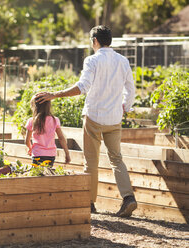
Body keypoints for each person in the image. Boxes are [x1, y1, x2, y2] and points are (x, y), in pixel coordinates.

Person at [36, 25, 137, 217]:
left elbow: (82, 87)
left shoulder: (92, 60)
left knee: (91, 161)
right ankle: (128, 198)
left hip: (94, 117)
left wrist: (54, 95)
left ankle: (89, 203)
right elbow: (130, 89)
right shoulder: (123, 61)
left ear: (95, 41)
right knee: (117, 159)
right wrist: (125, 106)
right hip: (114, 119)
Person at [25, 95, 71, 167]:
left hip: (37, 154)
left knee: (37, 174)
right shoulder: (55, 120)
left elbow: (27, 140)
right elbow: (61, 138)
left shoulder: (32, 121)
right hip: (50, 155)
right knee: (47, 175)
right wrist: (67, 153)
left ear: (34, 107)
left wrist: (30, 148)